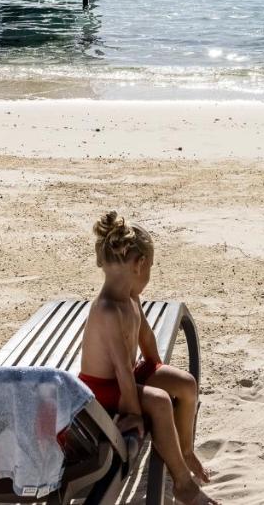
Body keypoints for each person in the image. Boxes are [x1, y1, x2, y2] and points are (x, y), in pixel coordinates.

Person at [79, 211, 217, 505]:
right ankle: (183, 484)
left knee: (185, 384)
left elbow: (145, 337)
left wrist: (156, 367)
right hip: (102, 390)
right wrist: (133, 414)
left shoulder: (129, 297)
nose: (150, 273)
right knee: (159, 401)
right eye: (151, 266)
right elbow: (120, 370)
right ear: (140, 264)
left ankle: (186, 450)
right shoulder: (107, 309)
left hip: (124, 378)